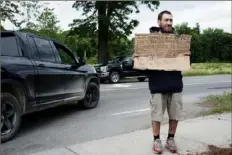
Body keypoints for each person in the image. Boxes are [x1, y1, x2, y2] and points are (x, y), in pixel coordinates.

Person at [145, 10, 191, 154]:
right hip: (157, 85)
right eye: (166, 20)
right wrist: (138, 59)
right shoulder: (149, 41)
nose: (169, 23)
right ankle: (156, 140)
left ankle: (170, 139)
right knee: (156, 115)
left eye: (171, 20)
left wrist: (188, 55)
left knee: (175, 115)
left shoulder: (179, 41)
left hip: (175, 84)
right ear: (159, 22)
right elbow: (142, 64)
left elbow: (186, 62)